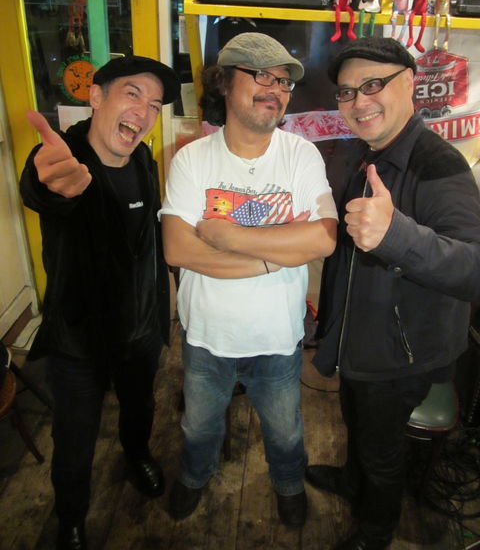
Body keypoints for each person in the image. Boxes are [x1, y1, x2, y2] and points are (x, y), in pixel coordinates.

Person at [305, 37, 480, 550]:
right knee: (356, 424)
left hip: (400, 354)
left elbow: (474, 268)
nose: (358, 101)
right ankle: (352, 481)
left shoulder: (438, 163)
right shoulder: (371, 155)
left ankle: (375, 533)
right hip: (362, 340)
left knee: (382, 453)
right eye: (347, 92)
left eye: (373, 85)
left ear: (410, 84)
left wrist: (395, 235)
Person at [160, 32, 338, 528]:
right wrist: (273, 256)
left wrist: (227, 237)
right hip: (206, 337)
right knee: (198, 427)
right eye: (261, 75)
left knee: (285, 431)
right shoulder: (192, 159)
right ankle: (194, 476)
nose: (275, 88)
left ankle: (288, 485)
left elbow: (323, 238)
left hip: (277, 338)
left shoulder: (301, 155)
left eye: (283, 81)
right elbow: (178, 250)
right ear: (223, 82)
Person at [20, 54, 181, 550]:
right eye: (132, 94)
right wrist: (49, 185)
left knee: (140, 408)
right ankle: (70, 517)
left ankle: (137, 456)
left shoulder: (143, 160)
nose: (143, 112)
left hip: (139, 329)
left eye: (154, 104)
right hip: (79, 339)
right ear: (96, 96)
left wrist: (161, 312)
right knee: (74, 439)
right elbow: (44, 187)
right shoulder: (63, 158)